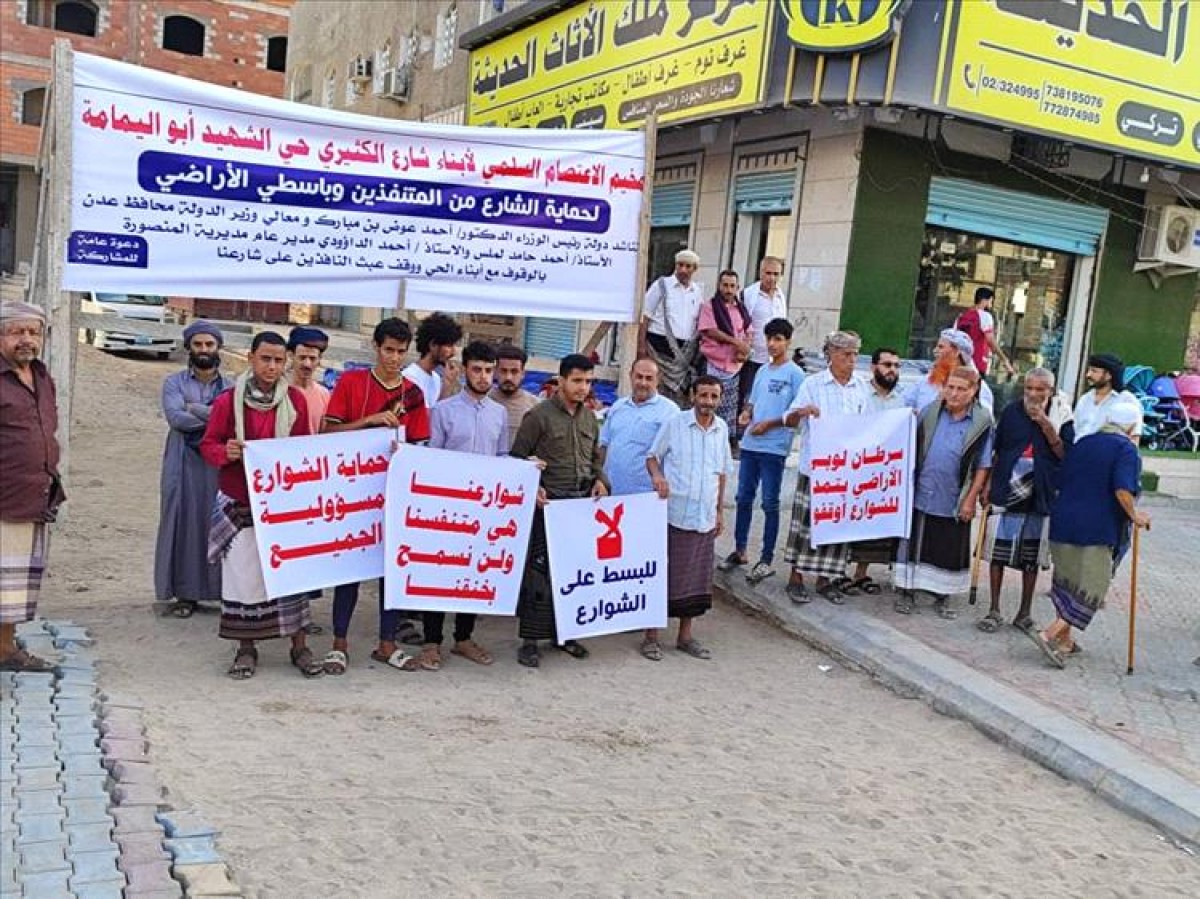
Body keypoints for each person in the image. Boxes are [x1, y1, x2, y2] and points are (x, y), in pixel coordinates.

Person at [200, 331, 322, 679]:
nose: (272, 366)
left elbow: (303, 453)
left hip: (282, 505)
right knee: (243, 577)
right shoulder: (229, 402)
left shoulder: (295, 401)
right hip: (240, 502)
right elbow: (209, 444)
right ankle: (246, 648)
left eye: (278, 360)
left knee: (290, 576)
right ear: (251, 358)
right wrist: (227, 452)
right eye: (265, 358)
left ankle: (299, 646)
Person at [321, 317, 430, 674]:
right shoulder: (352, 382)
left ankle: (387, 644)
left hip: (394, 495)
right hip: (352, 493)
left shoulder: (412, 393)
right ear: (375, 347)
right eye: (388, 350)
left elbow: (421, 446)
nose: (394, 358)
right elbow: (327, 431)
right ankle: (339, 644)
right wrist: (368, 421)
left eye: (401, 352)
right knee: (348, 569)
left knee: (391, 571)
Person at [509, 353, 610, 668]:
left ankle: (564, 634)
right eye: (577, 380)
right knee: (538, 575)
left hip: (579, 507)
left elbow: (595, 458)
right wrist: (532, 486)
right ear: (562, 381)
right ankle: (529, 641)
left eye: (588, 381)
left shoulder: (590, 418)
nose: (583, 387)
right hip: (547, 506)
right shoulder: (538, 416)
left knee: (572, 574)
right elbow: (517, 459)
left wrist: (601, 480)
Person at [1030, 403, 1149, 668]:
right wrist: (1135, 515)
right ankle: (1049, 635)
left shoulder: (1083, 442)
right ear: (1131, 427)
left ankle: (1065, 641)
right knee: (1094, 586)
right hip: (1097, 527)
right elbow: (1122, 490)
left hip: (1063, 522)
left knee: (1067, 583)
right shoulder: (1125, 449)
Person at [420, 341, 509, 671]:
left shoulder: (498, 414)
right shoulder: (443, 411)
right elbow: (432, 459)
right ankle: (431, 642)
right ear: (464, 370)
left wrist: (525, 470)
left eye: (489, 371)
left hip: (483, 511)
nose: (484, 377)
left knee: (474, 572)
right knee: (440, 572)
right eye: (477, 369)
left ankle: (463, 638)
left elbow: (501, 459)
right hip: (447, 508)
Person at [978, 368, 1073, 635]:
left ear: (1050, 391)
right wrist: (986, 485)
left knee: (1030, 556)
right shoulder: (1011, 411)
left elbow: (1064, 454)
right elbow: (997, 450)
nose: (1033, 394)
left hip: (1040, 489)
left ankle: (1024, 613)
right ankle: (994, 609)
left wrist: (1045, 424)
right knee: (998, 552)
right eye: (1029, 388)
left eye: (1040, 389)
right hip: (1007, 484)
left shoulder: (1063, 415)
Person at [894, 366, 994, 618]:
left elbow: (983, 465)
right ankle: (907, 591)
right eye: (950, 387)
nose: (954, 393)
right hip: (922, 489)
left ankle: (943, 595)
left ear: (974, 391)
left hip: (954, 494)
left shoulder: (983, 422)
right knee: (915, 541)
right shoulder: (929, 413)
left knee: (948, 545)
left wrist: (970, 500)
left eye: (961, 389)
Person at [781, 331, 872, 604]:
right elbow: (788, 419)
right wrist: (802, 412)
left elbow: (867, 426)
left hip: (845, 472)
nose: (852, 360)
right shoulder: (813, 385)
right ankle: (796, 578)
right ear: (831, 354)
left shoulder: (861, 387)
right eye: (846, 354)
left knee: (835, 528)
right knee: (805, 526)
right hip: (816, 468)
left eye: (855, 354)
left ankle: (825, 580)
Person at [644, 376, 730, 661]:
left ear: (719, 399)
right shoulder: (675, 423)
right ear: (693, 396)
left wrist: (719, 511)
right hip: (674, 514)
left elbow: (721, 473)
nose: (707, 402)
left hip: (704, 516)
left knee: (697, 579)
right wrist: (658, 477)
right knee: (663, 576)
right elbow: (652, 457)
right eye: (703, 396)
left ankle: (685, 636)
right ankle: (651, 637)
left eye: (713, 397)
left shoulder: (722, 429)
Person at [0, 302, 66, 672]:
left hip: (33, 496)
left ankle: (6, 650)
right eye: (16, 332)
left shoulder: (42, 377)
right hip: (3, 495)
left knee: (13, 586)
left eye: (33, 332)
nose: (26, 339)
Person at [154, 320, 232, 619]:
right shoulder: (174, 383)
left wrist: (194, 408)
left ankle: (220, 593)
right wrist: (213, 415)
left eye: (209, 345)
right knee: (182, 520)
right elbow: (176, 419)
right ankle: (184, 595)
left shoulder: (230, 387)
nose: (203, 350)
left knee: (216, 521)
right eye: (198, 344)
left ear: (218, 348)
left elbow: (230, 421)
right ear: (189, 347)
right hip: (181, 461)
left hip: (218, 464)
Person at [721, 318, 804, 585]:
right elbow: (752, 404)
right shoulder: (762, 371)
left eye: (778, 339)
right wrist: (746, 415)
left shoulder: (795, 375)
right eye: (769, 339)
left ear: (788, 341)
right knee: (743, 497)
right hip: (751, 444)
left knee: (770, 502)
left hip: (774, 447)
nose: (772, 344)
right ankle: (740, 549)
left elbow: (796, 416)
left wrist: (770, 424)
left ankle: (766, 558)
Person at [842, 347, 907, 596]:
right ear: (873, 367)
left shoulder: (900, 400)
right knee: (848, 522)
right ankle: (840, 573)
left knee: (873, 526)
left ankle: (861, 573)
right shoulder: (859, 394)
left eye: (896, 366)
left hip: (883, 476)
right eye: (887, 365)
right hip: (856, 470)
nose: (892, 370)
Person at [598, 358, 678, 496]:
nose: (643, 383)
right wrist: (598, 479)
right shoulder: (618, 407)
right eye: (639, 377)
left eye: (649, 378)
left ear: (658, 380)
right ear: (630, 376)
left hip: (646, 497)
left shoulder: (670, 412)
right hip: (611, 493)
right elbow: (603, 446)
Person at [637, 248, 704, 406]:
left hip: (683, 354)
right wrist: (640, 347)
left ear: (695, 269)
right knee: (654, 391)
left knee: (677, 398)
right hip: (657, 348)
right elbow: (645, 317)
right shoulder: (661, 285)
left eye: (688, 266)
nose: (683, 270)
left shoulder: (697, 291)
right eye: (680, 265)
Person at [697, 269, 752, 453]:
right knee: (708, 403)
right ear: (719, 286)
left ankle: (727, 442)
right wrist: (735, 342)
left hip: (734, 367)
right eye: (725, 285)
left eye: (732, 286)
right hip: (714, 365)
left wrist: (745, 348)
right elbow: (709, 330)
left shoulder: (741, 309)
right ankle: (704, 441)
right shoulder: (710, 307)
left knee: (730, 408)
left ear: (738, 288)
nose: (728, 290)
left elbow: (748, 331)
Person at [739, 256, 787, 419]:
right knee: (747, 395)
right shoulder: (749, 295)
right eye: (768, 273)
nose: (772, 278)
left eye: (776, 274)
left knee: (767, 397)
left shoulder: (781, 296)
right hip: (752, 358)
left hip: (774, 360)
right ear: (760, 273)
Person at [905, 328, 994, 413]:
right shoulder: (925, 381)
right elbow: (905, 406)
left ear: (956, 352)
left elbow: (983, 422)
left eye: (941, 347)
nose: (935, 351)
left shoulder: (979, 389)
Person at [1073, 353, 1143, 441]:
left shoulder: (1127, 401)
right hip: (1080, 451)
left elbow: (1134, 439)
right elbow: (1076, 430)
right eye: (1089, 370)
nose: (1088, 375)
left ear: (1108, 375)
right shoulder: (1084, 400)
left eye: (1094, 371)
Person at [403, 311, 462, 411]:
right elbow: (422, 420)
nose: (453, 352)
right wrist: (446, 389)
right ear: (433, 345)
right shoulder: (410, 378)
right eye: (449, 346)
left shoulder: (436, 379)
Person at [954, 287, 1015, 377]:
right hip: (978, 362)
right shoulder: (985, 316)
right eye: (991, 301)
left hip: (959, 362)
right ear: (985, 300)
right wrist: (1005, 360)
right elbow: (990, 340)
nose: (991, 304)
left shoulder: (961, 316)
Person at [490, 343, 540, 447]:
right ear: (495, 372)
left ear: (523, 373)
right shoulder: (482, 401)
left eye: (514, 371)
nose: (508, 377)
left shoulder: (536, 406)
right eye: (504, 371)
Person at [287, 326, 331, 434]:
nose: (307, 364)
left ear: (319, 360)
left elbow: (324, 433)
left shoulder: (324, 394)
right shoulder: (279, 390)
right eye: (302, 357)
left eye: (312, 358)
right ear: (291, 356)